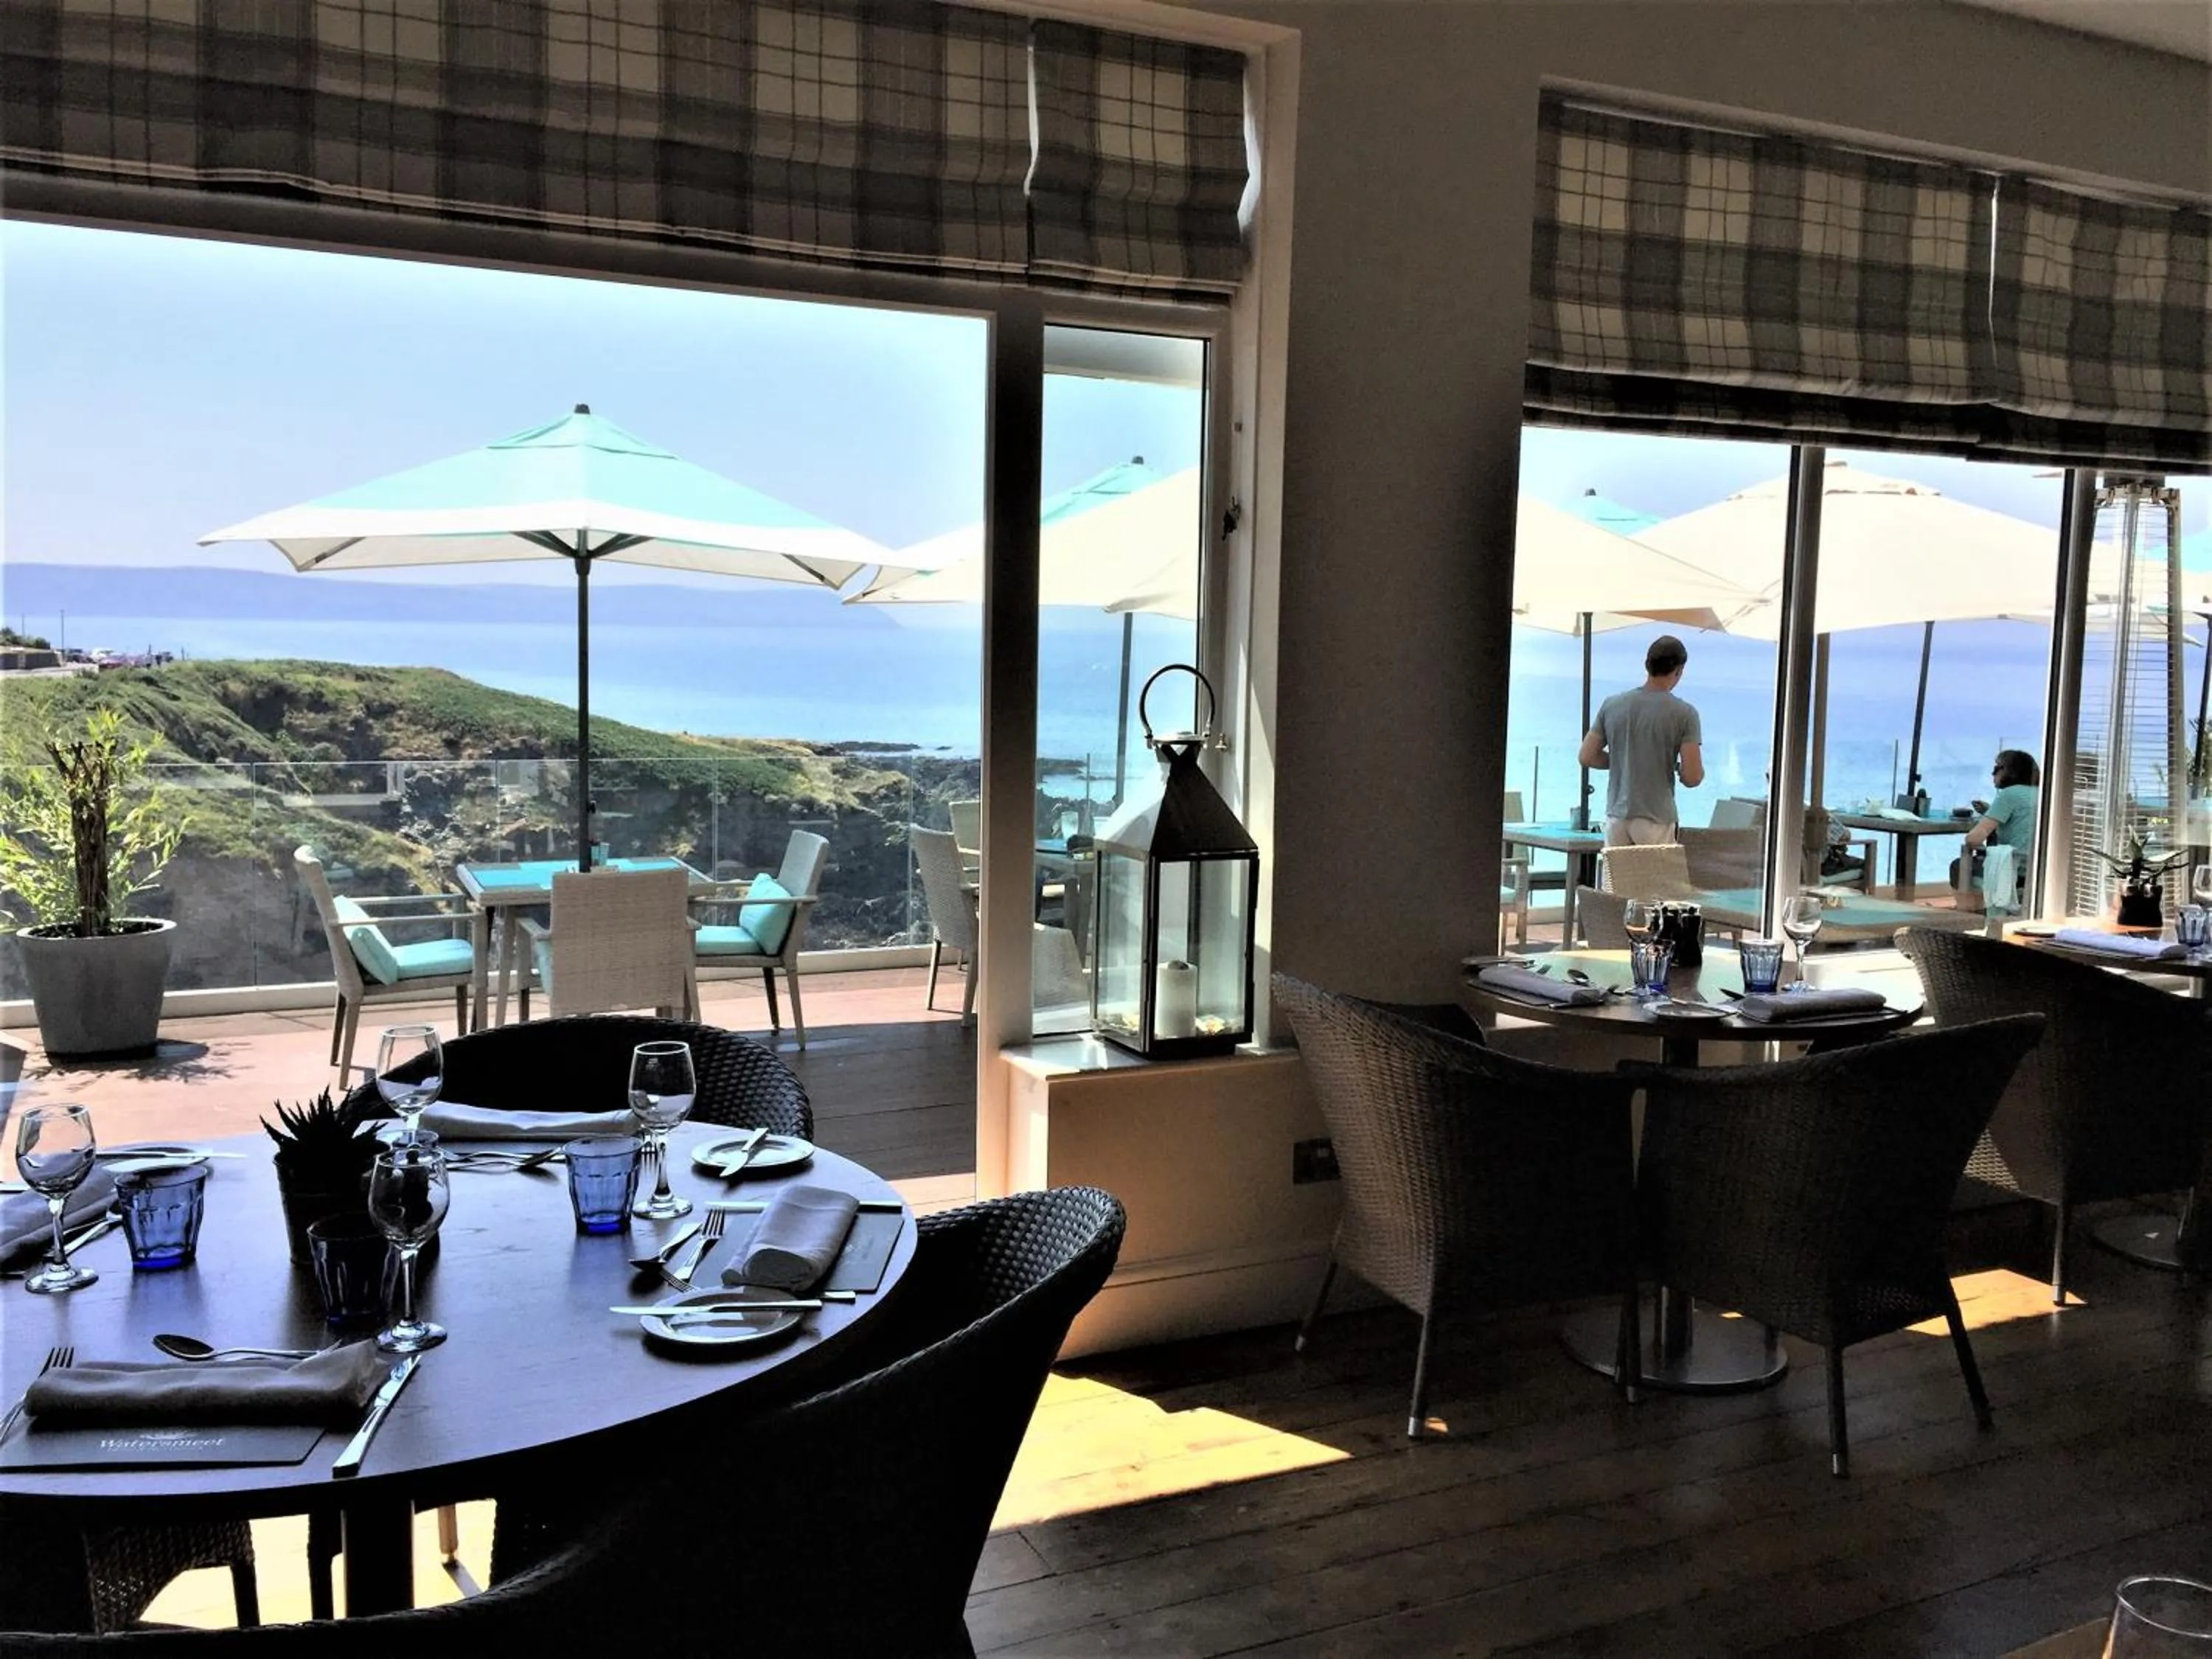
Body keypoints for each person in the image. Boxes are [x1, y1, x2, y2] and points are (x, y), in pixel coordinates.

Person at [1579, 635, 1705, 847]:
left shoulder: (1612, 705)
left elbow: (1587, 756)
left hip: (1617, 817)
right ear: (1679, 670)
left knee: (1618, 881)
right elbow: (1692, 777)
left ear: (1648, 665)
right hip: (1656, 818)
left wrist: (1624, 758)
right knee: (1655, 881)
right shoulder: (1685, 713)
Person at [1951, 749, 2039, 896]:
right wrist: (1991, 812)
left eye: (1996, 768)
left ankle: (1970, 912)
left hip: (2013, 871)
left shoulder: (2008, 795)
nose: (1993, 774)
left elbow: (1973, 839)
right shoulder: (2041, 793)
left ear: (2010, 771)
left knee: (1958, 866)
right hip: (2037, 869)